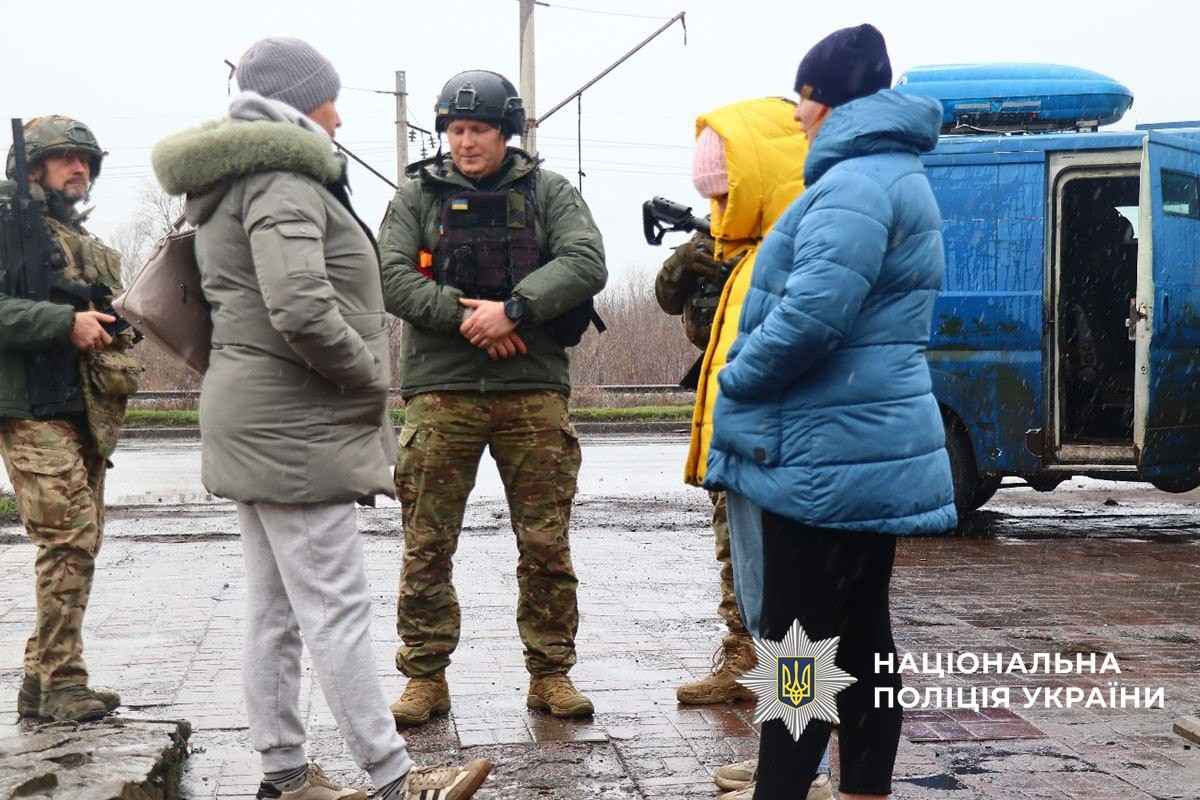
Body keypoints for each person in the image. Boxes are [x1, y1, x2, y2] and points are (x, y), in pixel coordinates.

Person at [152, 38, 491, 800]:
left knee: (274, 611)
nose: (339, 115)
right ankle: (394, 779)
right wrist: (367, 375)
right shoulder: (282, 177)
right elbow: (301, 304)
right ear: (303, 103)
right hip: (294, 422)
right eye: (330, 98)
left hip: (263, 414)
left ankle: (286, 774)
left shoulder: (238, 177)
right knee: (335, 608)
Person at [704, 25, 957, 800]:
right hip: (860, 443)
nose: (799, 117)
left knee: (801, 644)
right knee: (861, 634)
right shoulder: (891, 174)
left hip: (825, 449)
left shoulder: (852, 185)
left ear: (832, 102)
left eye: (805, 99)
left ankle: (779, 790)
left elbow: (814, 315)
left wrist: (737, 379)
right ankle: (863, 790)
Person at [378, 69, 607, 726]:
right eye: (455, 129)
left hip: (531, 393)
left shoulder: (548, 191)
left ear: (506, 132)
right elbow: (391, 277)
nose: (465, 142)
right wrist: (469, 318)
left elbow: (586, 261)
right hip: (442, 394)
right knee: (426, 541)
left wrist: (515, 309)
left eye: (478, 129)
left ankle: (551, 673)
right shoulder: (418, 192)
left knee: (544, 542)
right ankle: (424, 677)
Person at [660, 98, 832, 800]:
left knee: (794, 626)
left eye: (726, 192)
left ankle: (805, 771)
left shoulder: (785, 255)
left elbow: (773, 365)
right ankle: (784, 761)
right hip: (752, 463)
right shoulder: (754, 254)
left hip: (775, 467)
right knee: (775, 622)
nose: (718, 208)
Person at [1, 115, 138, 723]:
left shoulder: (69, 235)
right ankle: (63, 682)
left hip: (83, 407)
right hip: (29, 405)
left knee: (80, 542)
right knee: (68, 539)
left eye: (85, 159)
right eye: (62, 157)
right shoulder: (8, 225)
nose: (77, 167)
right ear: (32, 166)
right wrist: (63, 323)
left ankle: (41, 679)